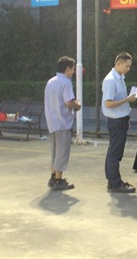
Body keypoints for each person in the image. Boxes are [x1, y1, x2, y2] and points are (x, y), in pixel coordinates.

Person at [102, 52, 137, 194]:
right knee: (115, 152)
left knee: (115, 151)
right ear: (119, 64)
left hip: (121, 119)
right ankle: (114, 182)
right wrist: (127, 99)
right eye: (127, 66)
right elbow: (108, 103)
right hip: (116, 120)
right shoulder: (111, 80)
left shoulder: (120, 77)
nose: (128, 69)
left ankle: (113, 181)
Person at [44, 57, 81, 190]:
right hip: (63, 122)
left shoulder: (50, 82)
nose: (73, 72)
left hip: (52, 122)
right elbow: (69, 102)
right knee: (62, 152)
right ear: (67, 69)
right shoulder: (66, 82)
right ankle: (58, 179)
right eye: (72, 69)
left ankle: (53, 176)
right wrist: (77, 105)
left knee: (54, 151)